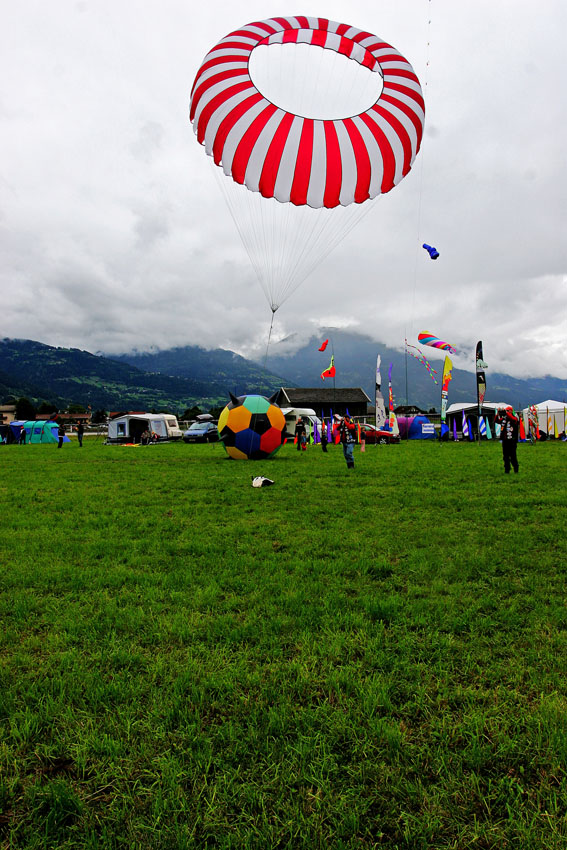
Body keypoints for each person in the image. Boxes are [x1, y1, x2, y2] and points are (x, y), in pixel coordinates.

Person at [495, 405, 519, 473]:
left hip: (512, 440)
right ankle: (507, 469)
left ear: (511, 411)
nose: (507, 412)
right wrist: (498, 414)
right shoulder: (504, 419)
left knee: (513, 456)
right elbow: (496, 421)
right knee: (505, 456)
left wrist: (507, 413)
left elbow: (513, 419)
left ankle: (516, 468)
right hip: (505, 440)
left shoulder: (514, 418)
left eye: (508, 411)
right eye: (506, 411)